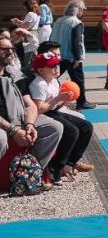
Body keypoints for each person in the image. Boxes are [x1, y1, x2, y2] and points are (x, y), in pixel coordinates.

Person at [0, 39, 61, 179]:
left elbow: (30, 104)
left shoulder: (14, 74)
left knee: (54, 128)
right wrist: (13, 130)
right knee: (0, 139)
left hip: (18, 119)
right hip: (4, 125)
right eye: (4, 48)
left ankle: (31, 173)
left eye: (11, 48)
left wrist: (30, 125)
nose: (10, 52)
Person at [28, 49, 94, 180]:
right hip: (44, 114)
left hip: (53, 110)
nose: (57, 67)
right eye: (52, 66)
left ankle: (70, 163)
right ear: (41, 70)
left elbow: (56, 104)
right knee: (71, 131)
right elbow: (39, 109)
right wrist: (58, 98)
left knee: (87, 127)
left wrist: (64, 99)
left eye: (57, 64)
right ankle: (54, 167)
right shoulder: (38, 84)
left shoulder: (54, 81)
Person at [51, 0, 94, 111]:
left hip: (58, 55)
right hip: (70, 56)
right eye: (82, 10)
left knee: (52, 77)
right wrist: (78, 58)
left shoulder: (58, 20)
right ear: (78, 10)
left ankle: (49, 96)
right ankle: (81, 102)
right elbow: (77, 41)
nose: (82, 12)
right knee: (78, 79)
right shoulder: (76, 23)